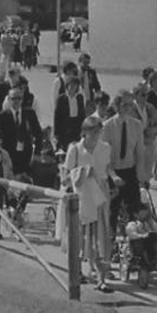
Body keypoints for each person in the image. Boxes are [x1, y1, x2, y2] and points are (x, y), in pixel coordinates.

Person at [63, 115, 114, 292]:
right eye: (92, 131)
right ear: (84, 132)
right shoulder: (75, 150)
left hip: (99, 197)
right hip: (81, 198)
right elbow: (65, 178)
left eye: (98, 131)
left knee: (100, 237)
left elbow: (107, 169)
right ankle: (77, 272)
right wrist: (84, 173)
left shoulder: (105, 147)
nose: (95, 134)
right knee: (79, 236)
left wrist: (114, 178)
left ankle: (101, 277)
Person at [102, 91, 145, 232]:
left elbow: (139, 152)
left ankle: (134, 246)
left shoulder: (137, 125)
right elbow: (105, 156)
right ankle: (110, 244)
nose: (128, 108)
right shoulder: (107, 126)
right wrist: (113, 176)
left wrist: (140, 176)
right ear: (117, 105)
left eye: (130, 105)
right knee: (111, 213)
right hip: (112, 174)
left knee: (134, 212)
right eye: (124, 104)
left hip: (130, 172)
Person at [0, 86, 43, 177]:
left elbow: (38, 133)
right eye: (14, 98)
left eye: (19, 98)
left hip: (27, 155)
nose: (16, 101)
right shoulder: (2, 116)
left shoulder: (30, 114)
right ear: (9, 99)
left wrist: (37, 152)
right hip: (9, 156)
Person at [53, 75, 87, 151]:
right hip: (65, 127)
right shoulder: (61, 98)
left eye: (74, 85)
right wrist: (56, 134)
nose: (72, 87)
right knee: (65, 149)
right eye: (70, 85)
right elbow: (57, 116)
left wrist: (84, 129)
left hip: (76, 127)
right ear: (67, 86)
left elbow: (82, 115)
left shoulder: (80, 98)